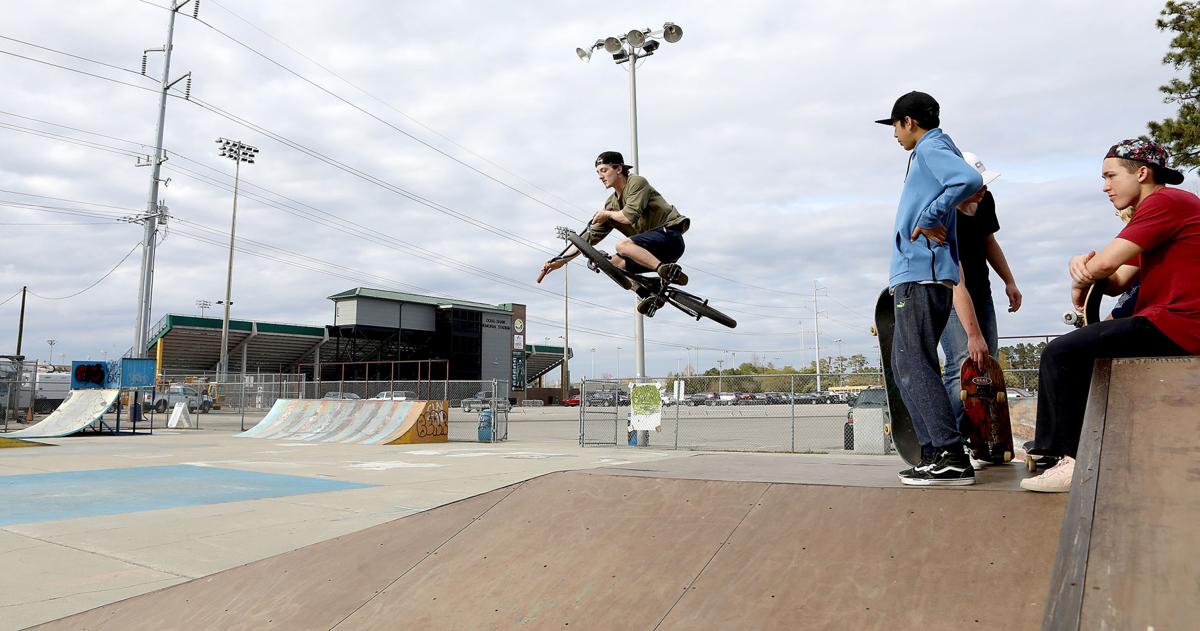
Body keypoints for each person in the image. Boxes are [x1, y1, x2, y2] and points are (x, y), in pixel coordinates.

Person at [1021, 138, 1200, 493]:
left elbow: (1105, 264)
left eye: (1110, 176)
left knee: (1060, 353)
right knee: (1087, 349)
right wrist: (1081, 265)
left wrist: (1085, 272)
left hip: (1180, 323)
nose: (1105, 187)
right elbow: (1117, 280)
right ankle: (1086, 449)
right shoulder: (1160, 211)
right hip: (1167, 321)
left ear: (1143, 173)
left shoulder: (1165, 201)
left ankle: (1068, 459)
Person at [876, 91, 984, 486]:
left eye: (895, 127)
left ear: (909, 122)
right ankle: (936, 453)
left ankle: (950, 454)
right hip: (919, 273)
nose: (894, 136)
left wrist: (930, 214)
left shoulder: (931, 146)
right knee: (907, 364)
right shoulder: (929, 151)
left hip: (922, 274)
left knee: (913, 362)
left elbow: (969, 179)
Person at [938, 152, 1023, 458]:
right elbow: (955, 278)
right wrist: (973, 334)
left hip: (982, 293)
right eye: (977, 186)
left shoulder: (986, 201)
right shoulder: (943, 211)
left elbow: (989, 241)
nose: (983, 190)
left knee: (989, 366)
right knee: (963, 364)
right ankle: (951, 445)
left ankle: (985, 439)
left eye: (985, 185)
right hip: (951, 293)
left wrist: (1009, 281)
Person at [537, 151, 690, 314]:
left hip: (669, 237)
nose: (600, 176)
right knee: (612, 264)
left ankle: (665, 271)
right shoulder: (611, 204)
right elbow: (587, 238)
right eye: (597, 173)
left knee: (622, 245)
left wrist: (606, 214)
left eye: (603, 170)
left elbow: (628, 216)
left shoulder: (636, 182)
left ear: (618, 168)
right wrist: (560, 261)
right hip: (650, 252)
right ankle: (646, 293)